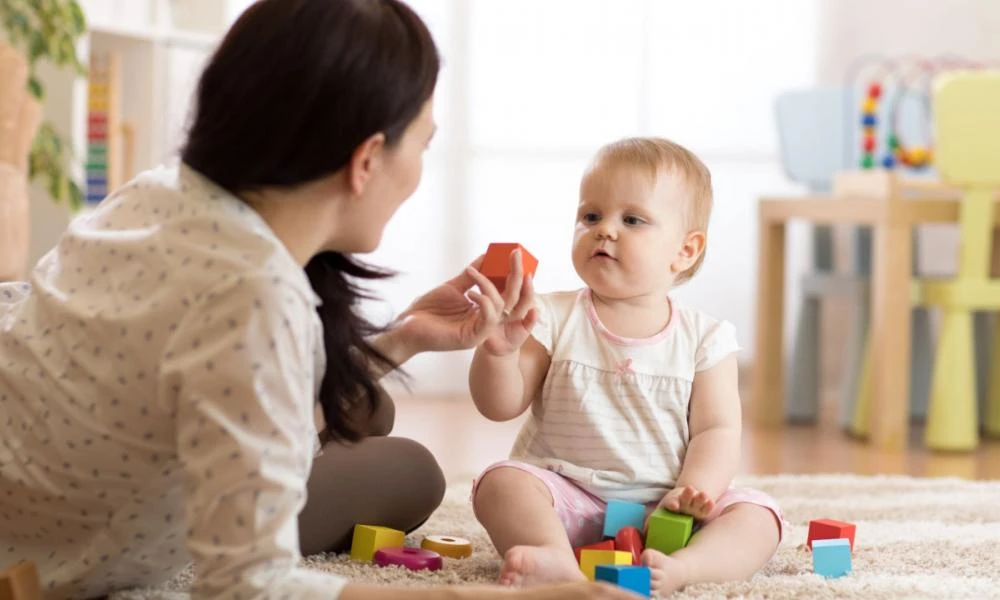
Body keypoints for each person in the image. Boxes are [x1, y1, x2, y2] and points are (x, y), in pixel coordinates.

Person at [0, 1, 639, 598]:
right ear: (366, 161)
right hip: (43, 554)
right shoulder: (254, 298)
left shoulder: (161, 191)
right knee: (407, 468)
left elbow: (227, 368)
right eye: (423, 143)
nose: (419, 168)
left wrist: (410, 334)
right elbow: (249, 583)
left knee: (370, 407)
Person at [468, 137, 786, 595]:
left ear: (686, 250)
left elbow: (717, 431)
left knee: (759, 516)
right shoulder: (552, 315)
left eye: (632, 219)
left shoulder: (706, 338)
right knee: (501, 482)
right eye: (590, 216)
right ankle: (553, 555)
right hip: (568, 500)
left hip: (667, 508)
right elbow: (500, 405)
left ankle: (685, 569)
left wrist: (694, 492)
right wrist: (497, 352)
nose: (605, 230)